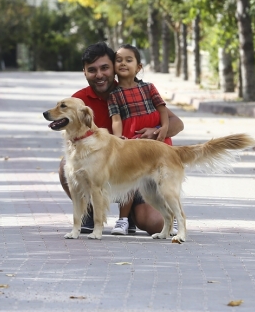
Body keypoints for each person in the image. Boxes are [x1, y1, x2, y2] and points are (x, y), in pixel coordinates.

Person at [58, 41, 184, 236]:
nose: (99, 75)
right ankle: (90, 210)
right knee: (67, 165)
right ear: (84, 72)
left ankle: (130, 216)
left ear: (114, 69)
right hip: (104, 171)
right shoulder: (78, 101)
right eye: (92, 70)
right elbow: (71, 136)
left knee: (153, 223)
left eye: (105, 68)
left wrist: (156, 130)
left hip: (141, 165)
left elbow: (177, 124)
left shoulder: (135, 93)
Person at [108, 44, 173, 235]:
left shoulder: (148, 88)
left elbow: (162, 109)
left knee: (162, 183)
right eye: (118, 60)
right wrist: (118, 138)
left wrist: (163, 129)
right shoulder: (114, 94)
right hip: (130, 141)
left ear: (138, 67)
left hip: (156, 143)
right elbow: (116, 118)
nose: (123, 63)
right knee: (127, 182)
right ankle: (122, 220)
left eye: (129, 60)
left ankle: (173, 218)